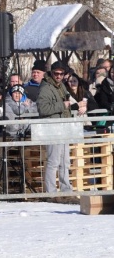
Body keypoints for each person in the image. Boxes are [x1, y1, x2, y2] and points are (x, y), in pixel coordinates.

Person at [37, 62, 78, 195]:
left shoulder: (60, 87)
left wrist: (78, 106)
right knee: (53, 161)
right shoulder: (46, 88)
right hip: (52, 128)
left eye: (61, 74)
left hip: (63, 127)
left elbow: (66, 105)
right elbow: (42, 109)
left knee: (65, 161)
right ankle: (51, 192)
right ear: (52, 72)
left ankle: (66, 189)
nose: (59, 76)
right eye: (56, 73)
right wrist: (62, 105)